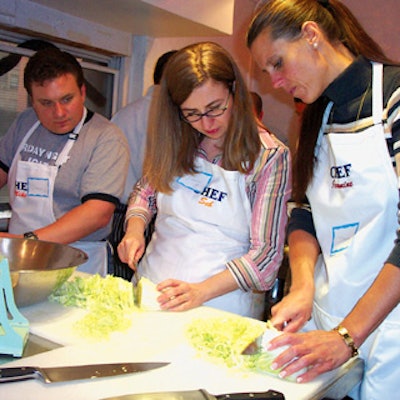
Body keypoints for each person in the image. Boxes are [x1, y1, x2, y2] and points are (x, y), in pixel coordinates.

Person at [247, 0, 400, 398]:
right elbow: (305, 212)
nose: (274, 83)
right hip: (328, 319)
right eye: (266, 72)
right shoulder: (317, 117)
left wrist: (347, 337)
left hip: (389, 329)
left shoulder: (394, 100)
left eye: (277, 64)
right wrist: (302, 288)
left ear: (311, 35)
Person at [117, 41, 291, 319]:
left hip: (220, 309)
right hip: (153, 294)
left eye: (215, 108)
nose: (207, 123)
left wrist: (201, 291)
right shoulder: (177, 140)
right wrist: (135, 229)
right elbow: (145, 192)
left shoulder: (268, 156)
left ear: (234, 92)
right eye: (192, 114)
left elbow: (266, 260)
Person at [0, 47, 129, 275]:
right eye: (46, 103)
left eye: (66, 99)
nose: (59, 112)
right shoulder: (26, 122)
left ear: (82, 91)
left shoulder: (106, 137)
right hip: (18, 258)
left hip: (75, 260)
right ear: (32, 100)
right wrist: (20, 245)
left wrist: (25, 242)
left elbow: (97, 213)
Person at [109, 50, 177, 279]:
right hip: (144, 215)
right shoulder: (172, 118)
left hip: (117, 214)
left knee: (122, 281)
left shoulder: (124, 113)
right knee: (142, 286)